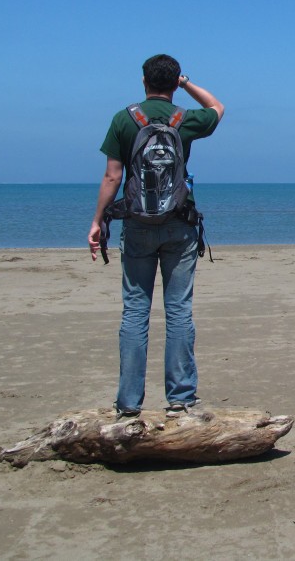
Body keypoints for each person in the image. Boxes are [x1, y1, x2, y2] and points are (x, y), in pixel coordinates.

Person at [88, 54, 225, 418]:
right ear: (173, 81)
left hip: (137, 225)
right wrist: (187, 84)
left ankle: (129, 404)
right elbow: (217, 107)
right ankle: (181, 401)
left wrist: (98, 221)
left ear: (144, 81)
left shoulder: (124, 119)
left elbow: (112, 177)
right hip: (179, 224)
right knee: (178, 310)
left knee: (135, 311)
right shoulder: (185, 120)